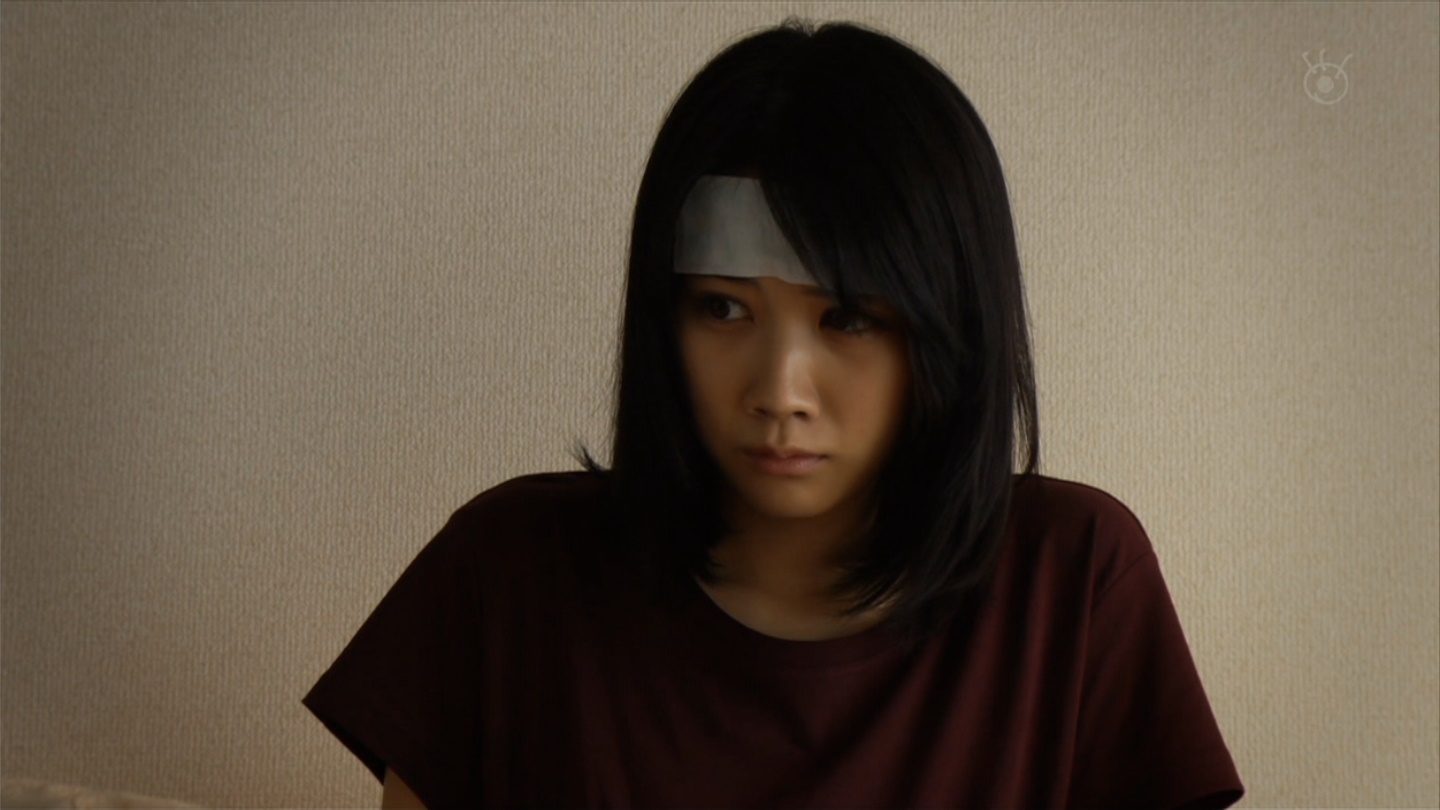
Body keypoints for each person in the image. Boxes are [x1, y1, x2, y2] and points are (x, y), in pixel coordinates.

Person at [303, 19, 1245, 809]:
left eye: (848, 318)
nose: (780, 390)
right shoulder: (510, 575)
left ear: (951, 327)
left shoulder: (1073, 581)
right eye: (723, 309)